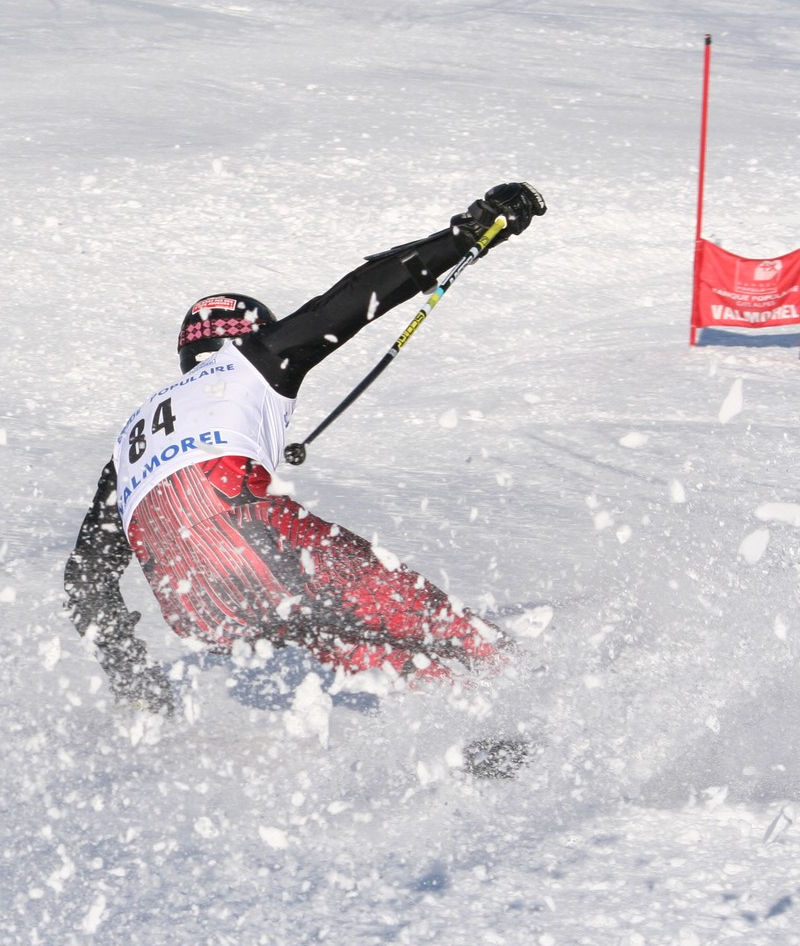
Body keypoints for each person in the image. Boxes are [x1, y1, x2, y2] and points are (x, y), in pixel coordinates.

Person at [63, 184, 548, 717]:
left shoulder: (128, 443)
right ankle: (541, 700)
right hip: (258, 538)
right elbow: (352, 300)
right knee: (433, 623)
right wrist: (467, 234)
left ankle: (464, 728)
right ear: (253, 333)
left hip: (195, 605)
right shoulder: (252, 357)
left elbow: (85, 578)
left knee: (366, 648)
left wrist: (131, 674)